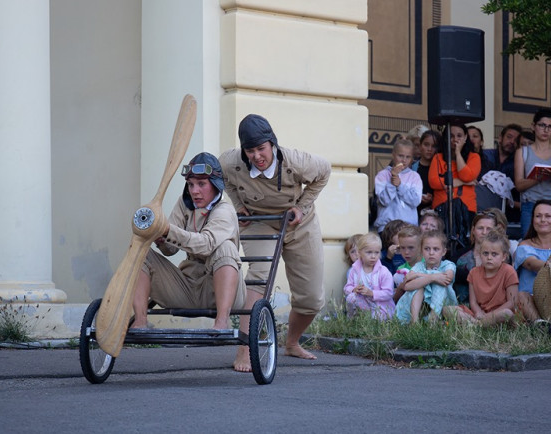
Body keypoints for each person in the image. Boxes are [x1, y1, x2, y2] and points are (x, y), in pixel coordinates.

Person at [220, 114, 331, 370]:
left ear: (272, 144)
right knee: (258, 276)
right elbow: (222, 178)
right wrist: (238, 205)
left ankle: (292, 343)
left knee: (312, 298)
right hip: (259, 220)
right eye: (250, 150)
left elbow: (324, 171)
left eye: (261, 149)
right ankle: (246, 351)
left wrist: (302, 207)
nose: (257, 156)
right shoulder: (230, 161)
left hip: (298, 223)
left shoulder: (297, 161)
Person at [131, 152, 245, 333]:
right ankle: (141, 321)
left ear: (215, 185)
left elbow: (207, 244)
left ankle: (222, 322)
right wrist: (159, 238)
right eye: (191, 184)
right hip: (187, 288)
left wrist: (168, 230)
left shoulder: (225, 211)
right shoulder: (185, 204)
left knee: (225, 248)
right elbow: (170, 250)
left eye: (201, 184)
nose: (194, 191)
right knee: (140, 252)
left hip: (218, 292)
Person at [515, 109, 551, 237]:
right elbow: (519, 185)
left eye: (550, 127)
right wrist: (539, 177)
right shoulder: (523, 152)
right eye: (542, 125)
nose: (546, 130)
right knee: (529, 246)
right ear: (533, 126)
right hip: (531, 205)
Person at [444, 230, 518, 326]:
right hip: (480, 314)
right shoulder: (474, 273)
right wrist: (478, 313)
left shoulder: (509, 271)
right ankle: (478, 324)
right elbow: (473, 302)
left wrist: (490, 315)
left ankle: (475, 325)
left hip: (499, 314)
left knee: (507, 314)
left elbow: (512, 302)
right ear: (480, 254)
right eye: (485, 253)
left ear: (504, 256)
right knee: (447, 310)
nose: (489, 257)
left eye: (494, 254)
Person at [428, 123, 481, 246]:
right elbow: (434, 182)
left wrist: (458, 153)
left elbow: (467, 175)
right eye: (451, 136)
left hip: (467, 209)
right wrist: (463, 182)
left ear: (465, 137)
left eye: (459, 136)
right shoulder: (438, 157)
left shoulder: (474, 157)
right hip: (442, 207)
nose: (455, 139)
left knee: (465, 245)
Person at [396, 230, 457, 323]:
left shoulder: (448, 265)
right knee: (418, 287)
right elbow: (407, 286)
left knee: (439, 284)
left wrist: (418, 275)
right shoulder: (419, 266)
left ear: (444, 251)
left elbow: (447, 279)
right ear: (421, 250)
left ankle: (433, 318)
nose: (431, 253)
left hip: (444, 304)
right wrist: (432, 278)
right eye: (427, 249)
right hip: (422, 305)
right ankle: (414, 321)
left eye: (436, 249)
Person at [453, 208, 510, 304]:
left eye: (489, 229)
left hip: (494, 306)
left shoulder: (504, 256)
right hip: (464, 305)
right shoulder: (459, 256)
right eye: (480, 228)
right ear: (473, 230)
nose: (484, 232)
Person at [373, 138, 422, 232]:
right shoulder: (382, 175)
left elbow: (415, 201)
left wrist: (400, 186)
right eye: (400, 156)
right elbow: (384, 200)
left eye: (408, 157)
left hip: (409, 227)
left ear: (412, 158)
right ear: (393, 154)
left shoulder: (414, 177)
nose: (404, 160)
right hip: (386, 227)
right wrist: (392, 183)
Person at [343, 232, 395, 320]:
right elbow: (347, 288)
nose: (373, 256)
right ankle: (353, 320)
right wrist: (354, 289)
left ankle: (371, 319)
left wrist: (372, 293)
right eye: (369, 252)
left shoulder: (383, 272)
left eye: (377, 252)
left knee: (376, 318)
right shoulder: (354, 270)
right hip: (363, 305)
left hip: (380, 307)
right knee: (351, 298)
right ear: (359, 253)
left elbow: (389, 293)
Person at [392, 225, 423, 303]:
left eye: (411, 248)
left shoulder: (429, 264)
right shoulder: (400, 270)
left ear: (420, 246)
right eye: (402, 248)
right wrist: (401, 288)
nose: (406, 252)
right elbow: (396, 301)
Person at [412, 130, 440, 210]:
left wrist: (433, 198)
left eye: (433, 146)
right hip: (414, 212)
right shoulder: (412, 168)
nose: (429, 149)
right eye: (426, 145)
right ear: (420, 146)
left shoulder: (440, 169)